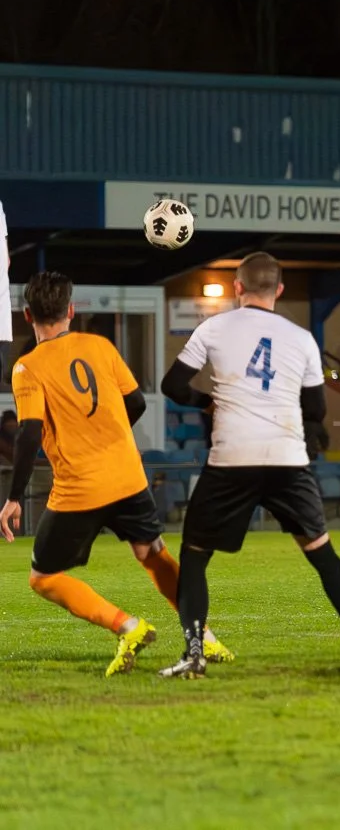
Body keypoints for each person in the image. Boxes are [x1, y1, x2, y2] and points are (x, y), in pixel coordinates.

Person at [158, 252, 340, 678]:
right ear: (279, 290)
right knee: (321, 552)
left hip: (232, 458)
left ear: (237, 287)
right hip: (286, 457)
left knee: (194, 557)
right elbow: (315, 407)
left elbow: (172, 385)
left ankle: (194, 653)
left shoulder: (214, 327)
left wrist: (207, 400)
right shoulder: (301, 338)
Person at [0, 272, 231, 674]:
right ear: (70, 310)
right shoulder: (100, 346)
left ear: (26, 316)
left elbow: (29, 432)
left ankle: (127, 626)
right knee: (152, 554)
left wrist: (14, 497)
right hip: (127, 476)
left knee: (42, 577)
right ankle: (204, 638)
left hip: (80, 488)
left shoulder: (27, 368)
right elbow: (137, 402)